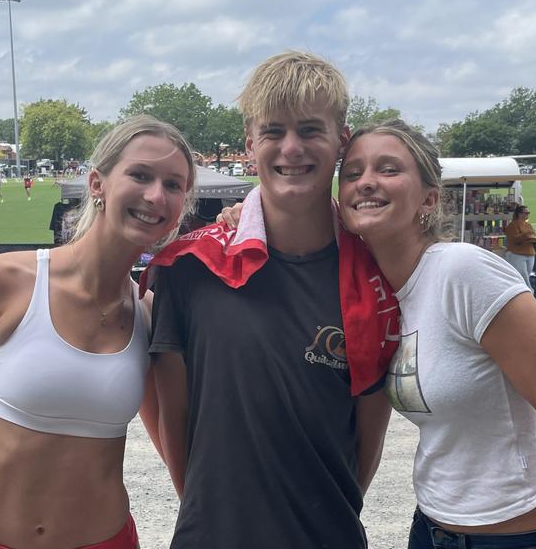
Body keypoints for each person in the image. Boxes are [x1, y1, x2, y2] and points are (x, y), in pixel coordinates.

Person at [0, 115, 196, 549]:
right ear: (97, 183)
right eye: (140, 175)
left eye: (174, 185)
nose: (156, 195)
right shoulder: (0, 284)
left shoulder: (149, 314)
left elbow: (176, 449)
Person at [149, 51, 393, 548]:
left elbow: (368, 440)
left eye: (309, 130)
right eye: (273, 131)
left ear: (341, 140)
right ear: (249, 144)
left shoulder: (375, 277)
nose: (291, 148)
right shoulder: (190, 269)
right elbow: (172, 425)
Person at [339, 119, 536, 548]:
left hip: (519, 535)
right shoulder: (372, 292)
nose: (366, 182)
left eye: (388, 169)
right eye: (352, 173)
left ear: (429, 198)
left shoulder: (463, 272)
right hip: (431, 529)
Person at [503, 204, 536, 289]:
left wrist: (532, 238)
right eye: (526, 213)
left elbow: (534, 237)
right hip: (516, 254)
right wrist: (527, 236)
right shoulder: (512, 225)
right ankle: (529, 293)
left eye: (528, 213)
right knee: (523, 277)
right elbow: (514, 239)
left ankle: (526, 294)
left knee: (526, 276)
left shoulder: (528, 225)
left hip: (530, 253)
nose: (527, 215)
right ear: (519, 214)